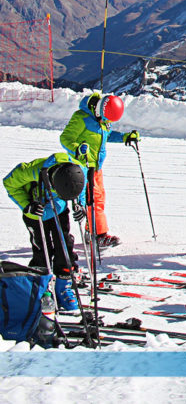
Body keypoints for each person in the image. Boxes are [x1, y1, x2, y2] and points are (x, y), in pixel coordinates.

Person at [4, 152, 88, 311]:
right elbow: (10, 183)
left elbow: (83, 186)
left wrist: (81, 205)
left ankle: (63, 285)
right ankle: (41, 287)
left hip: (59, 209)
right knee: (42, 248)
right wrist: (26, 204)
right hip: (36, 212)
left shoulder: (78, 169)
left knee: (64, 245)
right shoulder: (33, 170)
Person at [59, 92, 138, 249]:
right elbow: (65, 138)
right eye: (105, 118)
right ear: (98, 110)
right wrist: (78, 150)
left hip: (96, 167)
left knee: (99, 199)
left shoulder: (103, 117)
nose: (106, 122)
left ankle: (93, 231)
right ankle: (99, 235)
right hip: (82, 166)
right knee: (92, 200)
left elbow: (107, 135)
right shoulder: (81, 118)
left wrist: (124, 137)